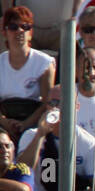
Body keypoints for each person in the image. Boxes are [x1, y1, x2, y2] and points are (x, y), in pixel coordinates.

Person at [0, 7, 53, 140]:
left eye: (25, 26)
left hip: (33, 120)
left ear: (31, 32)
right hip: (4, 121)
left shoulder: (45, 62)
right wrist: (5, 122)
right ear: (4, 32)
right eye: (13, 27)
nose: (20, 31)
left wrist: (25, 124)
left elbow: (47, 102)